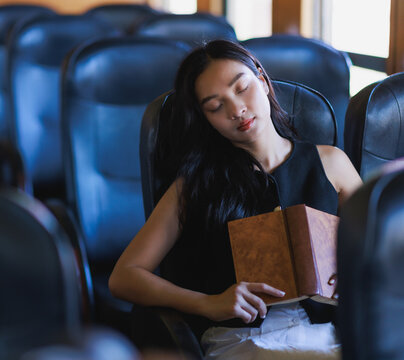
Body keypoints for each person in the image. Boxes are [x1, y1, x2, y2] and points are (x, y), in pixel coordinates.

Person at [108, 40, 363, 359]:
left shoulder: (332, 163)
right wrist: (207, 303)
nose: (236, 110)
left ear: (263, 80)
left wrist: (353, 271)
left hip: (329, 331)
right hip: (241, 338)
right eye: (216, 107)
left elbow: (378, 251)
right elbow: (125, 276)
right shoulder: (195, 185)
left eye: (242, 88)